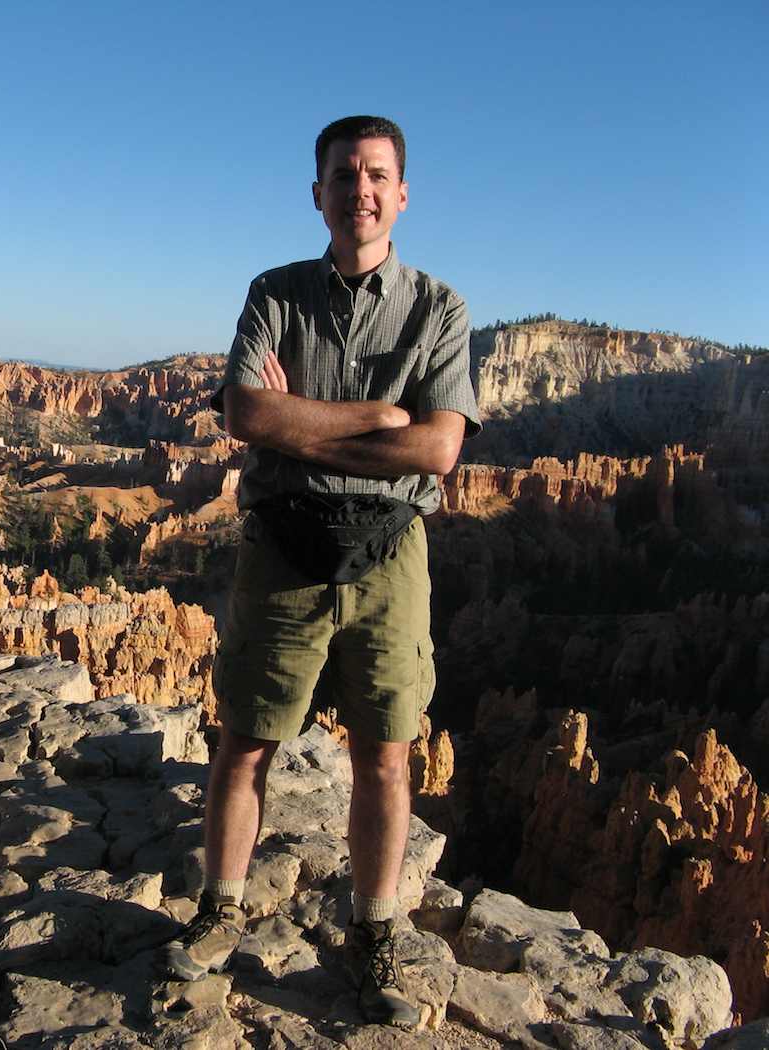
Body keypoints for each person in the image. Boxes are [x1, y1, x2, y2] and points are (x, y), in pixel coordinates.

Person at [161, 115, 481, 1029]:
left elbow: (438, 451)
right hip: (285, 548)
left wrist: (303, 418)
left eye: (378, 176)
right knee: (245, 738)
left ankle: (375, 929)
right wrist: (376, 417)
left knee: (385, 753)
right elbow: (246, 418)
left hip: (391, 553)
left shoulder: (440, 308)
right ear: (319, 193)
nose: (361, 191)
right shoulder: (276, 291)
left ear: (402, 193)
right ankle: (219, 911)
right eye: (344, 176)